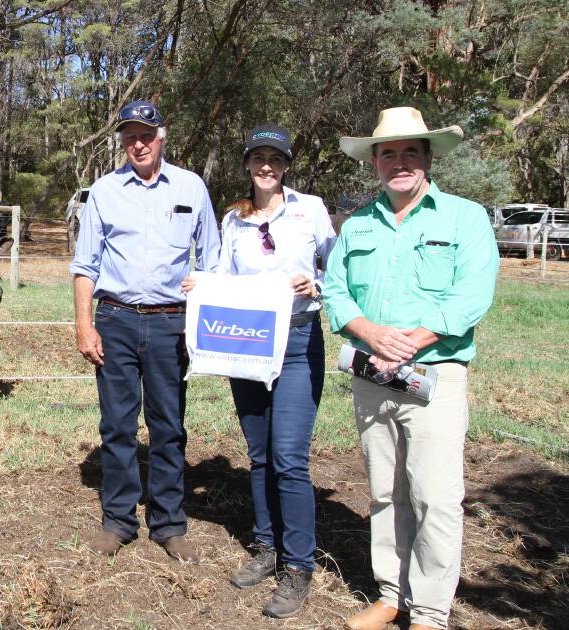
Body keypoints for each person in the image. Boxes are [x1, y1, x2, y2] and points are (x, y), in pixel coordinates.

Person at [324, 106, 499, 630]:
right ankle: (390, 593)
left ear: (427, 158)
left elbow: (473, 292)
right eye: (388, 154)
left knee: (434, 495)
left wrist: (414, 340)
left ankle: (429, 611)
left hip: (435, 377)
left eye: (409, 152)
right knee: (384, 490)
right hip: (372, 375)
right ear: (374, 162)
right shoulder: (356, 225)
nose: (398, 162)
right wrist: (372, 334)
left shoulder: (464, 217)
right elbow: (335, 290)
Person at [183, 123, 335, 618]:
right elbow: (224, 278)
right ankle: (267, 548)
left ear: (287, 165)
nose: (266, 166)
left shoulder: (310, 209)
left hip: (296, 343)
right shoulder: (234, 218)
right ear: (247, 164)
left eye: (276, 158)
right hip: (246, 346)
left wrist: (317, 284)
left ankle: (298, 566)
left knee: (290, 457)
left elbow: (340, 269)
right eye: (258, 158)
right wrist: (199, 287)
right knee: (260, 453)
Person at [70, 99, 219, 562]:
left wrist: (203, 322)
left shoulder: (192, 188)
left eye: (146, 134)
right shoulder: (105, 190)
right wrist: (83, 324)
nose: (138, 143)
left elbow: (212, 260)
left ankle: (169, 523)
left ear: (162, 135)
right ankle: (117, 520)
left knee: (168, 426)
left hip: (171, 323)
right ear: (122, 140)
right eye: (129, 135)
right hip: (114, 319)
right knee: (117, 426)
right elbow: (84, 265)